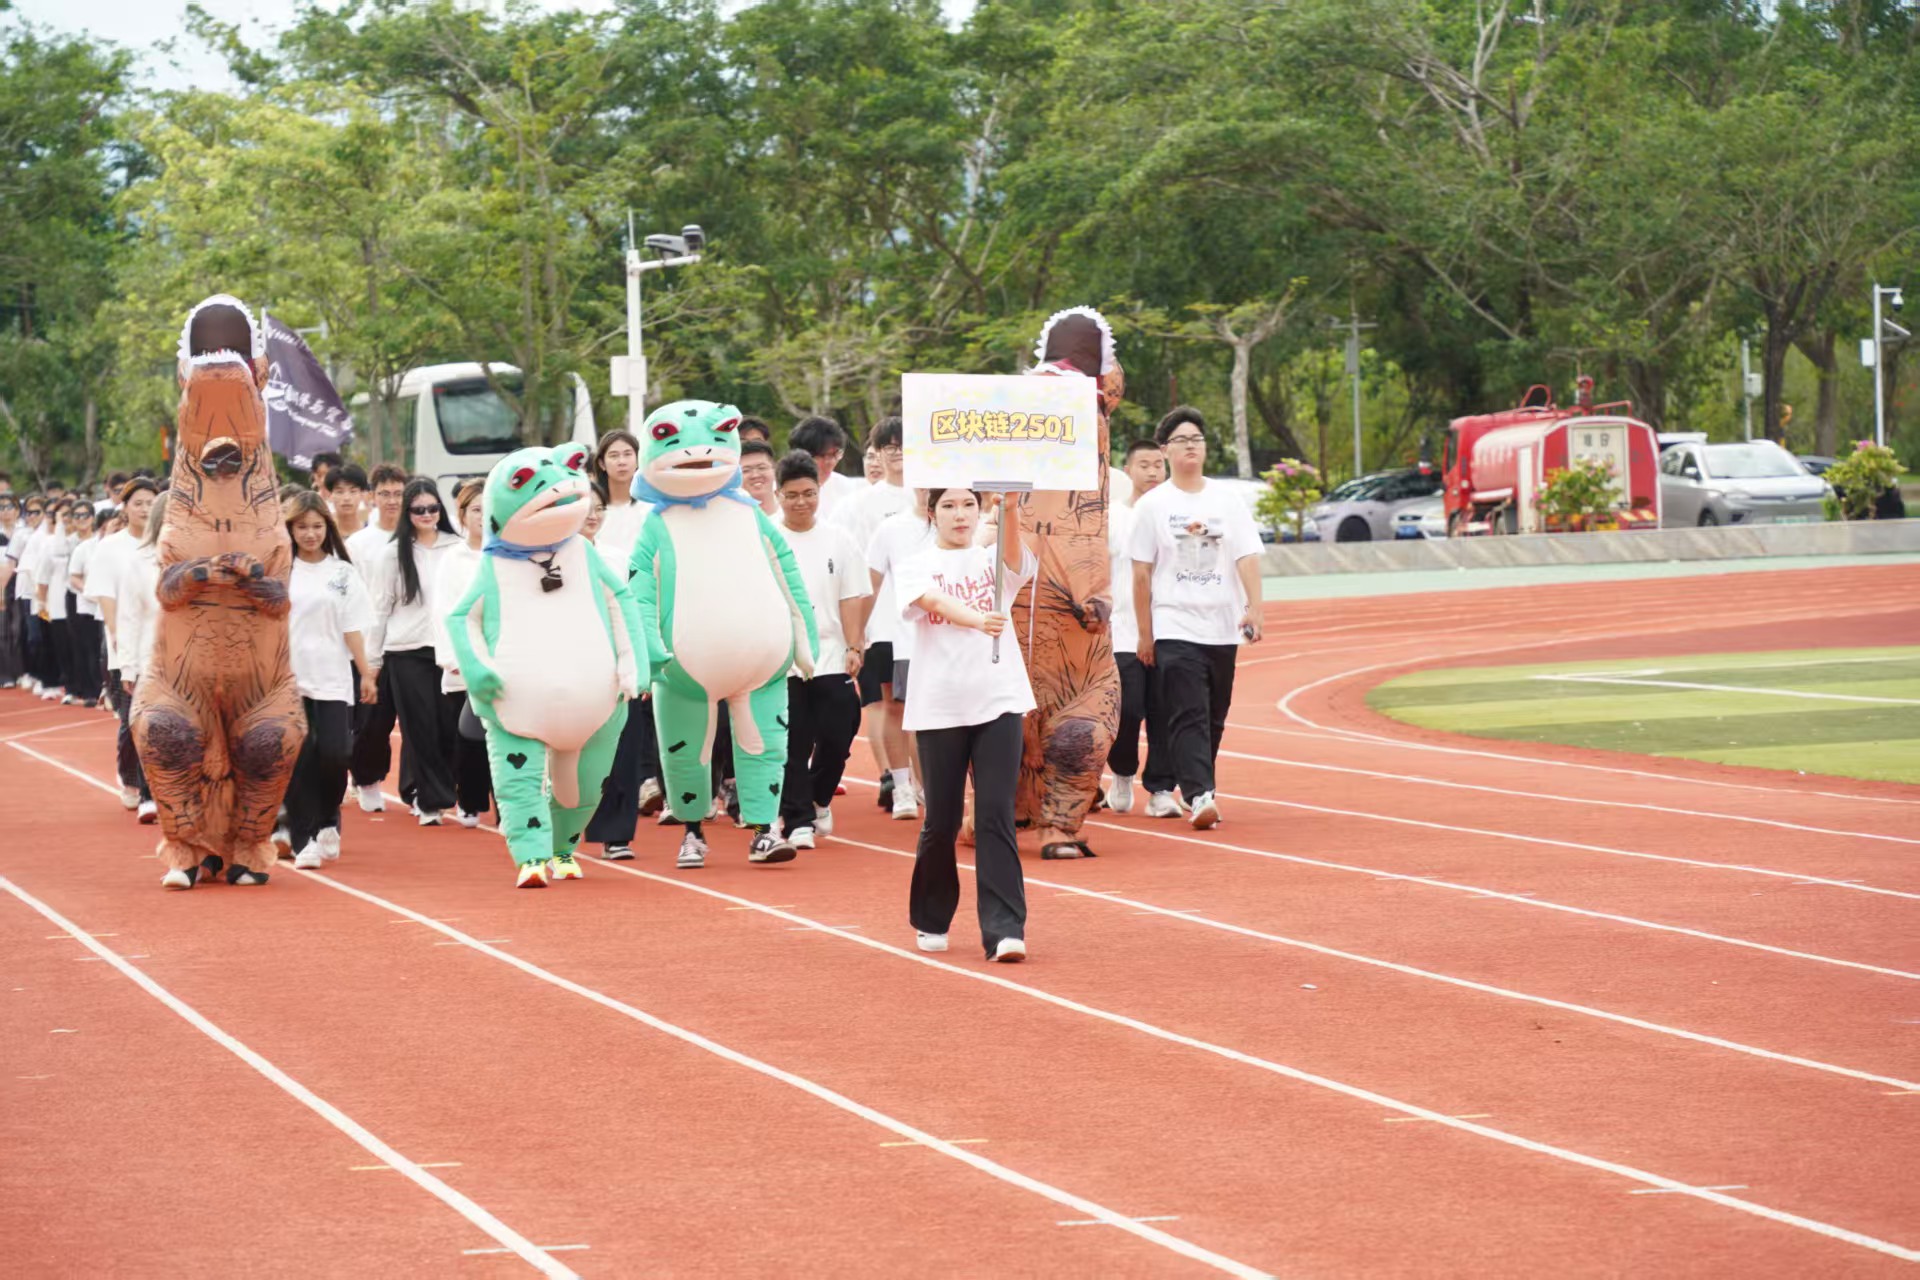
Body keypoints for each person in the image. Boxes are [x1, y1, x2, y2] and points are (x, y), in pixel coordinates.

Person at [896, 488, 1036, 963]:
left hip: (999, 700)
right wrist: (978, 620)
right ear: (931, 512)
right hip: (940, 706)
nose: (960, 515)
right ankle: (932, 917)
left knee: (996, 813)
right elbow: (933, 600)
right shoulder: (916, 563)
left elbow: (1015, 560)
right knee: (943, 819)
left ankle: (1004, 930)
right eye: (949, 506)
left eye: (969, 505)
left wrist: (1010, 507)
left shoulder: (992, 559)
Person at [1012, 307, 1125, 859]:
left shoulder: (1066, 407)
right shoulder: (1081, 406)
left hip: (1056, 601)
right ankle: (1039, 818)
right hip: (1036, 595)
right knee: (1023, 717)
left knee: (1074, 724)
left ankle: (1039, 816)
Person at [1129, 406, 1265, 830]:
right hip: (1174, 622)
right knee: (1188, 710)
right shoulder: (1152, 505)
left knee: (1214, 714)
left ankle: (1195, 785)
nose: (1191, 446)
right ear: (1165, 450)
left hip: (1222, 623)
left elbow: (1246, 555)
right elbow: (1141, 573)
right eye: (1181, 441)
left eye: (1197, 440)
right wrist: (1146, 634)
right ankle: (1200, 793)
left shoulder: (1227, 500)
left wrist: (1254, 608)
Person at [773, 452, 870, 846]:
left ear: (819, 492)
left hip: (830, 651)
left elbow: (852, 596)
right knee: (792, 740)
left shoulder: (839, 539)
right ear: (778, 495)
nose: (801, 502)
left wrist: (854, 645)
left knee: (839, 731)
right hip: (781, 655)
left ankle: (817, 797)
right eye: (792, 495)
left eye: (809, 493)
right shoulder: (765, 538)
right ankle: (798, 821)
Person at [281, 492, 376, 868]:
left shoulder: (342, 573)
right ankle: (303, 839)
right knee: (300, 758)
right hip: (289, 680)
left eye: (317, 526)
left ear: (327, 528)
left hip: (333, 676)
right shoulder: (281, 570)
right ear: (290, 529)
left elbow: (352, 627)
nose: (310, 534)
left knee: (336, 754)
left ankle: (327, 817)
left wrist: (366, 672)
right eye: (302, 527)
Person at [364, 476, 463, 825]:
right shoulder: (391, 554)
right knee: (420, 727)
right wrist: (372, 662)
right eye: (418, 509)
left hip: (450, 650)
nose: (426, 515)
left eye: (432, 508)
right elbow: (379, 610)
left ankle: (426, 789)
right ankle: (431, 802)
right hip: (406, 651)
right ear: (408, 513)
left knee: (449, 727)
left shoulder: (457, 548)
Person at [585, 428, 662, 857]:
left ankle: (616, 834)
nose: (593, 516)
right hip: (573, 670)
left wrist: (641, 666)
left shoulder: (617, 560)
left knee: (624, 745)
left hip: (618, 666)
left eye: (598, 509)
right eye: (586, 509)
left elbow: (633, 614)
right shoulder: (553, 559)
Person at [85, 478, 160, 814]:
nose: (145, 509)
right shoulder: (110, 546)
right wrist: (116, 632)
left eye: (150, 503)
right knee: (131, 718)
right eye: (138, 503)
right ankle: (130, 778)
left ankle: (153, 787)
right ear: (125, 507)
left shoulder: (164, 544)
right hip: (122, 643)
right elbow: (104, 593)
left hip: (159, 645)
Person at [864, 490, 933, 818]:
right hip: (900, 634)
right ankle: (902, 787)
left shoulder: (959, 523)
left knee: (936, 717)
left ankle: (930, 787)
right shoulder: (892, 529)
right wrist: (857, 632)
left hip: (948, 638)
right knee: (897, 709)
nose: (927, 489)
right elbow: (871, 583)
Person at [347, 462, 409, 812]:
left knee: (419, 723)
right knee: (372, 722)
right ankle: (368, 780)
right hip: (370, 643)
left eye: (398, 493)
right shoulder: (358, 544)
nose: (392, 500)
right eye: (385, 494)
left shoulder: (417, 536)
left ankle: (417, 789)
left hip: (410, 642)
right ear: (372, 497)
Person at [433, 478, 494, 827]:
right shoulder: (452, 559)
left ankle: (507, 805)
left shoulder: (509, 553)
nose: (483, 517)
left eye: (489, 509)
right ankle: (470, 800)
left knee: (506, 736)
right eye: (476, 510)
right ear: (463, 514)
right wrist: (451, 658)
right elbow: (443, 610)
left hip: (502, 659)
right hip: (464, 659)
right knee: (468, 737)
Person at [113, 493, 168, 824]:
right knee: (152, 729)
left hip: (193, 660)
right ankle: (148, 794)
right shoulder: (139, 562)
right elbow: (129, 618)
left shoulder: (196, 558)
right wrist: (128, 667)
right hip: (151, 658)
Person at [62, 502, 106, 708]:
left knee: (101, 647)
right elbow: (73, 577)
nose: (81, 520)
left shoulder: (109, 544)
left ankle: (104, 689)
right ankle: (87, 690)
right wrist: (90, 591)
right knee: (84, 645)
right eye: (77, 515)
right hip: (80, 599)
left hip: (105, 601)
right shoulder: (72, 544)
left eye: (85, 515)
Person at [790, 415, 853, 519]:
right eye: (822, 456)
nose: (830, 462)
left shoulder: (847, 488)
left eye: (835, 454)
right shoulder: (780, 489)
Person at [325, 463, 370, 540]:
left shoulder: (370, 529)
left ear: (362, 494)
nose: (346, 498)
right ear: (330, 495)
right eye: (340, 492)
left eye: (353, 491)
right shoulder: (323, 530)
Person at [1118, 438, 1166, 509]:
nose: (1152, 473)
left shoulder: (1176, 509)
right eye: (1144, 466)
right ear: (1128, 471)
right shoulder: (1115, 512)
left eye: (1158, 466)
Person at [739, 439, 780, 517]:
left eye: (761, 468)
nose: (755, 475)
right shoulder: (731, 516)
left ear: (774, 470)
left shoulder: (790, 509)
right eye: (746, 470)